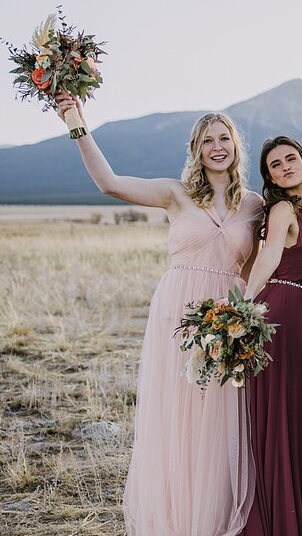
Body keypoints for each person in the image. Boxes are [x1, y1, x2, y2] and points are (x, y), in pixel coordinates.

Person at [54, 95, 261, 536]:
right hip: (179, 312)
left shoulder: (254, 205)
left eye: (225, 138)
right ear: (196, 149)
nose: (218, 146)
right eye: (208, 140)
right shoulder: (176, 193)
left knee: (221, 416)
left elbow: (261, 265)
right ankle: (177, 519)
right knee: (179, 412)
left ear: (236, 146)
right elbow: (109, 183)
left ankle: (216, 516)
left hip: (229, 318)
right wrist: (77, 122)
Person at [242, 136, 302, 536]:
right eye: (275, 165)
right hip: (280, 316)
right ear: (270, 177)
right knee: (281, 418)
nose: (285, 167)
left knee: (294, 416)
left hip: (301, 317)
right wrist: (243, 306)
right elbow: (271, 253)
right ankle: (279, 519)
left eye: (291, 159)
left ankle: (295, 514)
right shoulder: (281, 209)